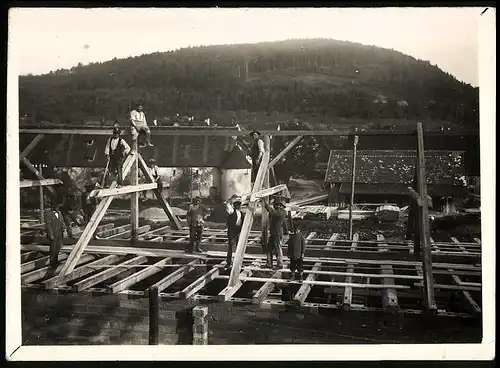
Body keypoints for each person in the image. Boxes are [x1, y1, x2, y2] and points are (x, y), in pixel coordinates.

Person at [262, 197, 289, 269]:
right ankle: (269, 264)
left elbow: (273, 212)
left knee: (278, 249)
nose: (278, 206)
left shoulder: (281, 213)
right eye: (277, 205)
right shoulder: (278, 212)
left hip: (278, 234)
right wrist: (286, 232)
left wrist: (266, 203)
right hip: (273, 233)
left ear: (282, 206)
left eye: (279, 205)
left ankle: (280, 264)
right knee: (268, 248)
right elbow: (284, 224)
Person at [44, 200, 66, 268]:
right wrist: (50, 235)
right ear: (53, 207)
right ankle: (52, 263)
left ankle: (56, 261)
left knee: (58, 248)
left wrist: (64, 227)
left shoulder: (59, 213)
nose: (58, 208)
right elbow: (48, 226)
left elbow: (62, 221)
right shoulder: (48, 214)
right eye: (56, 207)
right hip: (53, 234)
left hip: (59, 233)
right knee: (53, 249)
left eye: (58, 207)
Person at [225, 197, 244, 270]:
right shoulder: (232, 211)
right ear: (234, 206)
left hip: (238, 231)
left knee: (239, 247)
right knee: (230, 247)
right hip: (232, 231)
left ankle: (239, 263)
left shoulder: (241, 213)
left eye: (239, 205)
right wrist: (230, 199)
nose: (238, 206)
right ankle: (228, 262)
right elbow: (227, 205)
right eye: (237, 205)